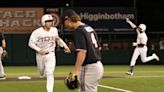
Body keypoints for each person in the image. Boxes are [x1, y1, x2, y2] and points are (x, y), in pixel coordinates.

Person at [62, 9, 104, 92]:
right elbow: (98, 47)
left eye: (64, 22)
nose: (65, 25)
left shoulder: (78, 31)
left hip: (89, 68)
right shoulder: (88, 28)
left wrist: (76, 71)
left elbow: (82, 52)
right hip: (97, 66)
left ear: (68, 20)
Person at [28, 14, 71, 92]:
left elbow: (57, 39)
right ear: (43, 22)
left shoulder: (54, 30)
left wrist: (65, 46)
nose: (50, 23)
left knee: (50, 73)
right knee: (41, 72)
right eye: (48, 21)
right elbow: (30, 43)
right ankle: (42, 72)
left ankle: (49, 91)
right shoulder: (37, 32)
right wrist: (38, 50)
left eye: (51, 21)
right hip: (40, 55)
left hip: (51, 54)